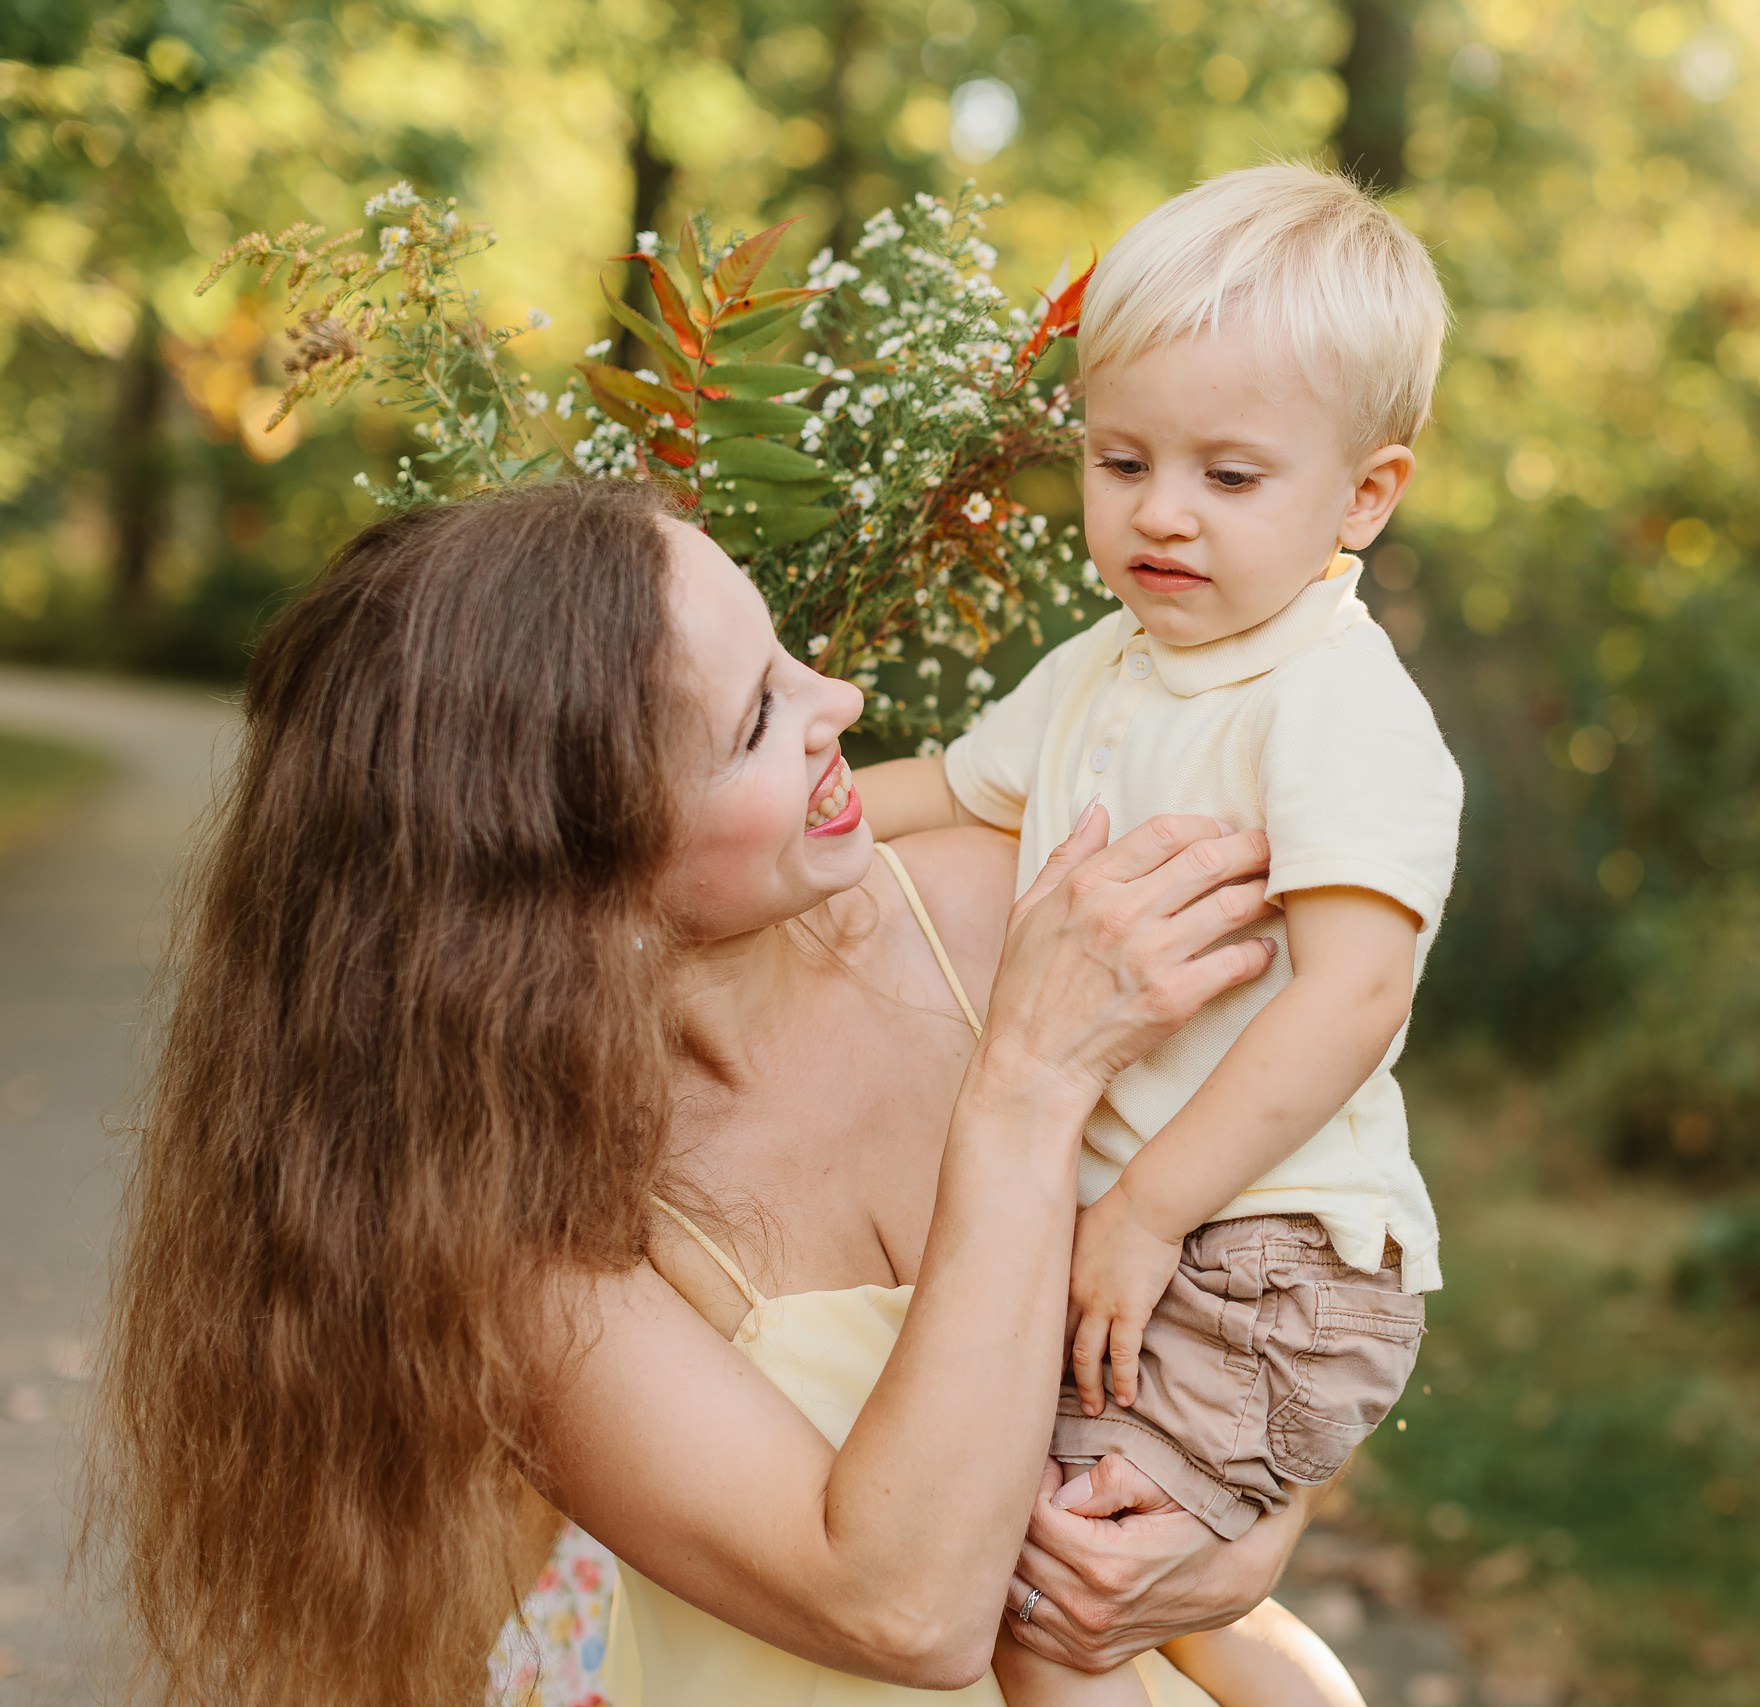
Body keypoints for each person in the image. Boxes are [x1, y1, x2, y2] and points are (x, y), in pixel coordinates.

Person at [89, 479, 1362, 1707]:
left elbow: (1320, 1255)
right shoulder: (537, 1219)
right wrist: (1027, 1083)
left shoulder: (1019, 904)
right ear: (563, 861)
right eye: (756, 718)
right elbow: (903, 1610)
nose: (842, 699)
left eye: (786, 655)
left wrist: (1241, 1535)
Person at [852, 164, 1462, 1707]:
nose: (1161, 511)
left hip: (1263, 1245)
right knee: (1145, 1597)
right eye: (1122, 459)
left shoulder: (1331, 699)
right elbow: (943, 790)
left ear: (1364, 494)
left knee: (1045, 1587)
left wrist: (1147, 1212)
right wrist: (733, 812)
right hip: (1158, 1233)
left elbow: (1355, 997)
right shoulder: (1103, 668)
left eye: (1230, 476)